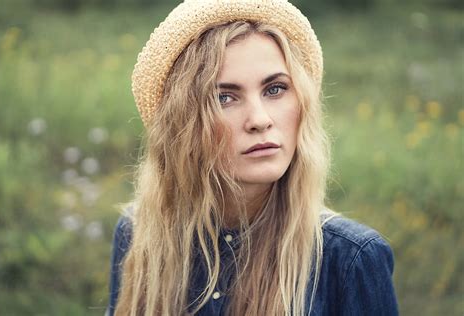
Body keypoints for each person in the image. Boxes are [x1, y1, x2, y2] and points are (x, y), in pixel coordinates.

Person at [107, 0, 399, 315]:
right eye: (225, 97)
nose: (259, 119)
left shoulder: (351, 258)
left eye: (275, 89)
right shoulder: (139, 232)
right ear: (183, 122)